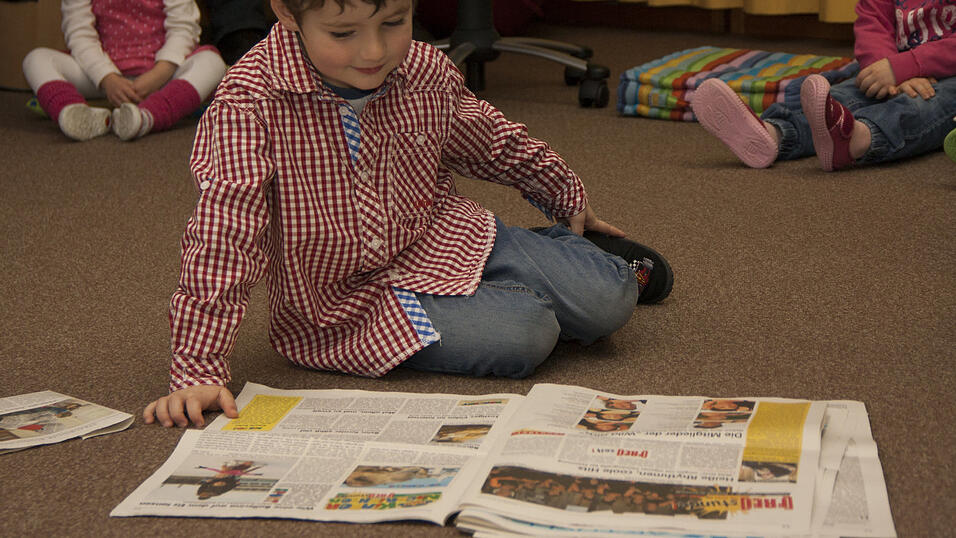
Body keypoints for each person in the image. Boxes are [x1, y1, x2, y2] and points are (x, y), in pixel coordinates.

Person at [143, 0, 674, 428]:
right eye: (344, 33)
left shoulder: (423, 69)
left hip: (447, 237)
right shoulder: (247, 105)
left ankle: (563, 253)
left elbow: (490, 141)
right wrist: (198, 367)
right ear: (286, 13)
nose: (374, 51)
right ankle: (541, 283)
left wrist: (564, 195)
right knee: (527, 333)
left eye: (394, 22)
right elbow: (224, 237)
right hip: (350, 304)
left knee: (612, 298)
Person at [692, 0, 956, 171]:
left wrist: (906, 67)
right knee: (846, 92)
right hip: (892, 70)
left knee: (921, 105)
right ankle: (773, 134)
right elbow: (872, 23)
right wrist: (883, 68)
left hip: (945, 78)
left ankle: (858, 138)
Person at [22, 0, 227, 141]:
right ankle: (77, 112)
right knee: (36, 59)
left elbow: (184, 28)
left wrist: (159, 73)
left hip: (161, 75)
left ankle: (146, 116)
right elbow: (79, 33)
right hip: (103, 77)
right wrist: (106, 77)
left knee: (212, 63)